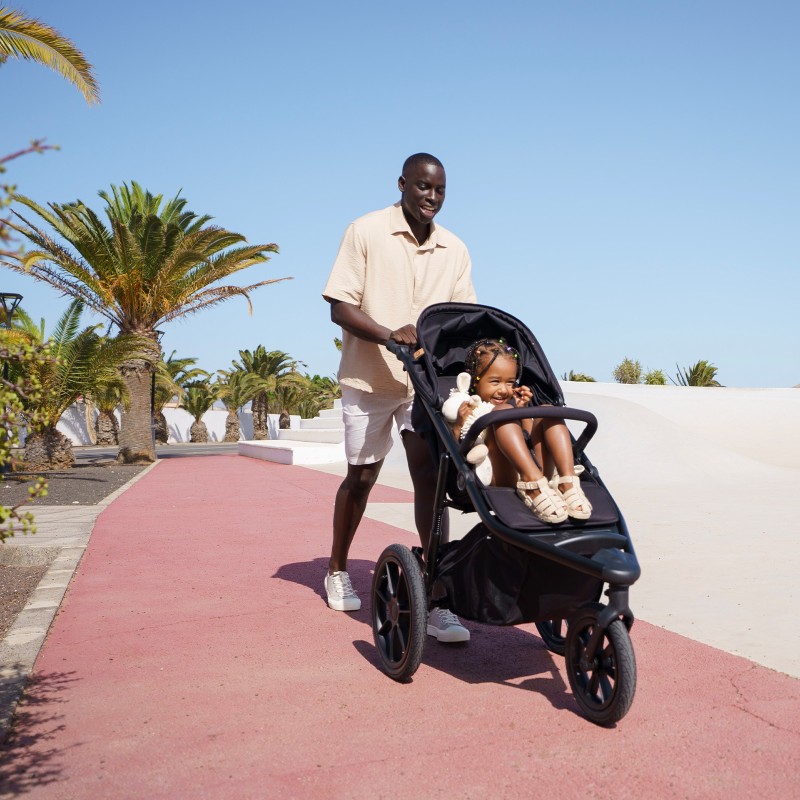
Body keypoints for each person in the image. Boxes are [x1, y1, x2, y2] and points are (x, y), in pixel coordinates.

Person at [322, 153, 476, 643]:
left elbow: (461, 318)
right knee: (362, 477)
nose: (431, 197)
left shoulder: (455, 248)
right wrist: (391, 336)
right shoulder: (366, 231)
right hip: (370, 377)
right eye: (423, 187)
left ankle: (435, 595)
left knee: (432, 480)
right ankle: (338, 568)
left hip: (424, 383)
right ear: (403, 184)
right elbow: (340, 307)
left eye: (440, 190)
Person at [451, 338, 593, 523]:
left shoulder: (511, 407)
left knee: (547, 410)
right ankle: (531, 485)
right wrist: (458, 425)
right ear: (474, 381)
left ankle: (567, 481)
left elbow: (529, 440)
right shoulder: (467, 408)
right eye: (495, 382)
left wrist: (524, 410)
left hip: (539, 474)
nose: (504, 390)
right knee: (501, 414)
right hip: (500, 477)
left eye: (510, 383)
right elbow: (456, 451)